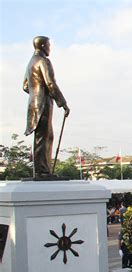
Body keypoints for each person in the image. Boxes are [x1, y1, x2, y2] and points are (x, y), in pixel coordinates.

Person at [23, 36, 70, 176]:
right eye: (48, 45)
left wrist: (35, 93)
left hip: (33, 103)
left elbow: (25, 86)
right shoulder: (43, 61)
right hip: (43, 102)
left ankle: (42, 169)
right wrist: (63, 103)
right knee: (45, 136)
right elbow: (50, 83)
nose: (50, 48)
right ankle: (43, 171)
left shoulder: (31, 63)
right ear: (43, 45)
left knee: (42, 136)